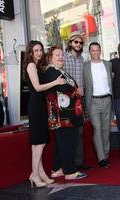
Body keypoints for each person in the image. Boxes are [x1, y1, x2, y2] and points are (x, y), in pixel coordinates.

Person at [23, 40, 65, 187]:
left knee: (37, 143)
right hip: (36, 106)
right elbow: (38, 87)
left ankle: (41, 174)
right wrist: (56, 82)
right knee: (39, 143)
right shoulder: (31, 65)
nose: (39, 53)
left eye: (40, 50)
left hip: (39, 105)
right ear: (30, 52)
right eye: (36, 50)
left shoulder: (37, 65)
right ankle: (34, 174)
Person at [44, 46, 87, 180]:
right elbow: (63, 88)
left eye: (62, 55)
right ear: (50, 58)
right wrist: (75, 90)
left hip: (67, 114)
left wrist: (74, 88)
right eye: (57, 55)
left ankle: (57, 169)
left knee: (61, 144)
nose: (61, 57)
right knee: (67, 143)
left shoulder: (60, 71)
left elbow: (68, 86)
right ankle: (69, 172)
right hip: (61, 116)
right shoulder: (51, 71)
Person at [83, 42, 112, 168]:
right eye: (93, 50)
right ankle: (101, 159)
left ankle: (105, 154)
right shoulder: (85, 67)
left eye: (97, 50)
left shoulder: (108, 64)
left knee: (106, 129)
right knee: (97, 129)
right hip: (93, 101)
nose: (95, 52)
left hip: (107, 100)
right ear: (90, 52)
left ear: (100, 51)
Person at [64, 31, 90, 170]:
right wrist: (74, 89)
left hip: (81, 100)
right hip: (67, 100)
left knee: (79, 132)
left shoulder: (82, 59)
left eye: (81, 43)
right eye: (76, 42)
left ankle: (79, 162)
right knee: (69, 132)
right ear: (70, 43)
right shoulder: (63, 57)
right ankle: (69, 164)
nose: (79, 44)